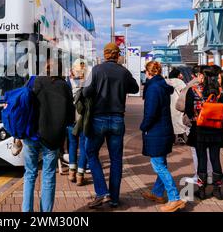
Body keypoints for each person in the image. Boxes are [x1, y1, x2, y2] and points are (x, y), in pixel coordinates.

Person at [82, 42, 139, 208]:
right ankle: (114, 198)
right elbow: (135, 88)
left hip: (98, 118)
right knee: (116, 159)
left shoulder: (97, 70)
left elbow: (86, 92)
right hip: (117, 119)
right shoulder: (124, 71)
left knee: (91, 152)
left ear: (105, 54)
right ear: (117, 55)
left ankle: (102, 192)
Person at [22, 58, 75, 212]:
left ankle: (27, 211)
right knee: (48, 176)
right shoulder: (65, 86)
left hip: (31, 135)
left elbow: (24, 104)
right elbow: (70, 118)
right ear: (61, 70)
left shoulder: (35, 82)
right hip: (52, 138)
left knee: (30, 174)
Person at [140, 61, 186, 212]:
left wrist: (144, 126)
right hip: (165, 129)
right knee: (161, 163)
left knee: (158, 165)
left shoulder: (153, 88)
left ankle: (175, 198)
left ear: (149, 73)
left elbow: (151, 112)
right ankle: (158, 193)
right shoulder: (162, 86)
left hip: (156, 130)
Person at [185, 65, 223, 200]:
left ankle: (201, 190)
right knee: (215, 159)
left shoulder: (194, 90)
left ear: (202, 76)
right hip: (216, 129)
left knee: (201, 158)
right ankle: (217, 190)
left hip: (199, 128)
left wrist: (195, 117)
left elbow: (188, 110)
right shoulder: (219, 92)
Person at [176, 65, 213, 185]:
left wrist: (190, 117)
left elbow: (182, 106)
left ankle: (199, 177)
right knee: (210, 151)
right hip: (212, 123)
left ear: (198, 75)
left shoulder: (192, 87)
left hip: (196, 122)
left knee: (197, 151)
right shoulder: (215, 88)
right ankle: (211, 176)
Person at [67, 59, 89, 185]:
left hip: (71, 119)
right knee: (84, 146)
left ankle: (71, 172)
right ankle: (80, 175)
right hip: (85, 120)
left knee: (72, 144)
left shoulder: (68, 82)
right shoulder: (88, 83)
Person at [166, 68, 188, 144]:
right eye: (180, 74)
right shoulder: (180, 82)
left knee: (172, 122)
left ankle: (173, 140)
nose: (182, 75)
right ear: (177, 75)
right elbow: (185, 92)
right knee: (180, 122)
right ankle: (184, 139)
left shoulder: (167, 81)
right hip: (178, 105)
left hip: (169, 105)